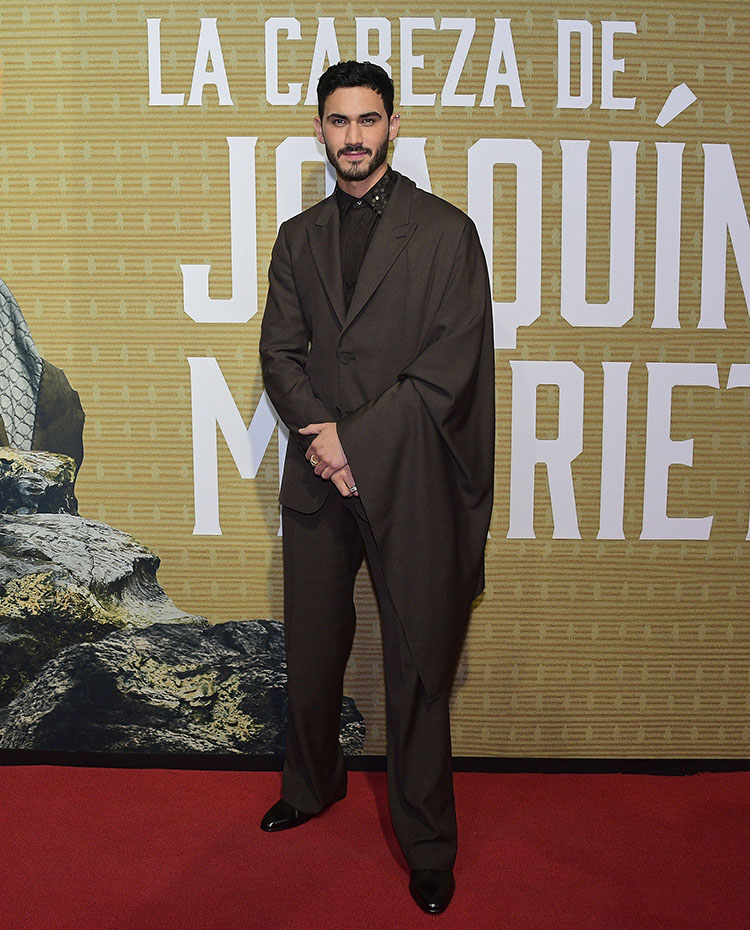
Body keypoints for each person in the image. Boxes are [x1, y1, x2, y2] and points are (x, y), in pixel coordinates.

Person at [259, 60, 494, 915]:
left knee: (417, 669)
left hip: (412, 487)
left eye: (367, 120)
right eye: (336, 121)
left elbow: (450, 369)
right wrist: (327, 446)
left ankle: (429, 843)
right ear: (320, 130)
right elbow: (278, 354)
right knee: (314, 655)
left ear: (394, 125)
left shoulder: (446, 234)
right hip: (322, 485)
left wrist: (354, 442)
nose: (352, 136)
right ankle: (312, 786)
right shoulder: (297, 236)